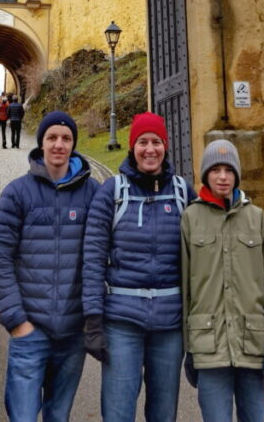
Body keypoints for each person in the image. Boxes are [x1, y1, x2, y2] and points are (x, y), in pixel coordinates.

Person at [82, 112, 196, 422]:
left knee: (163, 413)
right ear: (132, 147)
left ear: (165, 146)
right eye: (142, 142)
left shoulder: (183, 193)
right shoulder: (113, 193)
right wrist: (93, 320)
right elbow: (92, 259)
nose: (150, 149)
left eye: (156, 142)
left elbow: (204, 258)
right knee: (118, 412)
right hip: (122, 321)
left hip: (169, 324)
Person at [0, 111, 99, 422]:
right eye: (52, 138)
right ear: (42, 143)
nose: (59, 145)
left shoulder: (92, 193)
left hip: (72, 331)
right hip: (30, 327)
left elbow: (104, 253)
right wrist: (16, 320)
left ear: (73, 144)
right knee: (22, 416)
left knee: (58, 415)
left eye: (66, 138)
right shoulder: (17, 192)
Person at [180, 140, 264, 422]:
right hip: (209, 346)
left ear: (236, 175)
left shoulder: (256, 218)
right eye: (215, 170)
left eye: (228, 170)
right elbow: (185, 290)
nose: (222, 177)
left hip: (250, 345)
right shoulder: (191, 219)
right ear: (206, 175)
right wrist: (187, 349)